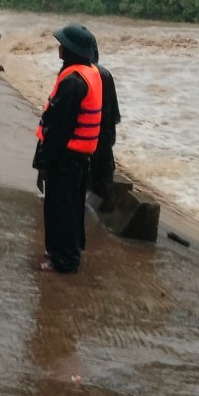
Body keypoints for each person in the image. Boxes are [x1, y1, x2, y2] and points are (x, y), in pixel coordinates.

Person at [32, 23, 102, 273]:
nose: (59, 48)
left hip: (66, 156)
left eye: (63, 45)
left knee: (60, 208)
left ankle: (63, 260)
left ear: (71, 50)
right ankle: (66, 252)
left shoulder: (73, 82)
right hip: (77, 156)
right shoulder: (88, 72)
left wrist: (44, 161)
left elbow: (59, 129)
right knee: (70, 207)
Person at [89, 42, 121, 209]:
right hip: (103, 134)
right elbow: (114, 113)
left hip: (86, 135)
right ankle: (97, 209)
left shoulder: (77, 73)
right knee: (103, 177)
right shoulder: (105, 74)